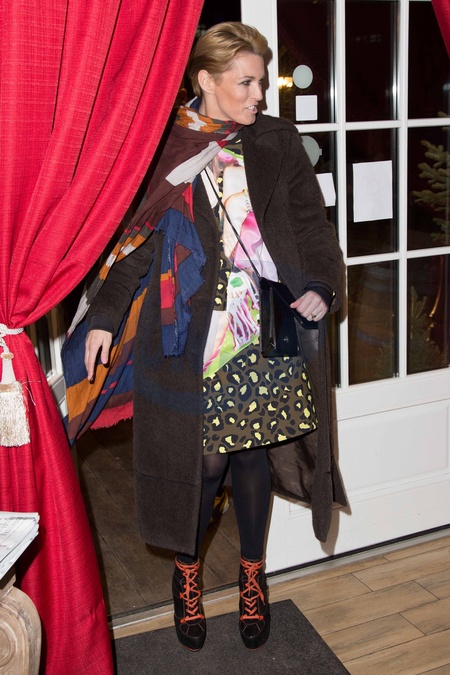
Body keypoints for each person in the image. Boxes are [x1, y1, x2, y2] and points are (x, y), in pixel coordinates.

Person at [82, 22, 346, 652]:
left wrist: (322, 285)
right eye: (245, 82)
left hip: (265, 328)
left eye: (261, 82)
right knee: (203, 464)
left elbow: (312, 228)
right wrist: (103, 316)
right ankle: (187, 572)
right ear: (205, 80)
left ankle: (253, 579)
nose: (259, 95)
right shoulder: (164, 150)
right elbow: (136, 246)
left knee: (251, 456)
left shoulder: (276, 140)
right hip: (191, 334)